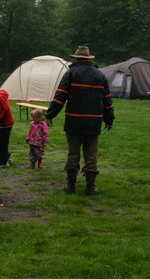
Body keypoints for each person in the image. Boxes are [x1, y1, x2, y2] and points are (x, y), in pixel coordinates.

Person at [45, 46, 115, 195]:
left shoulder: (71, 73)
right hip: (93, 122)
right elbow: (107, 101)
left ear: (76, 59)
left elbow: (60, 97)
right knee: (91, 155)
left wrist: (50, 115)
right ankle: (90, 187)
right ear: (89, 59)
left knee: (73, 153)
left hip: (73, 121)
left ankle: (71, 186)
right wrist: (109, 119)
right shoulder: (100, 76)